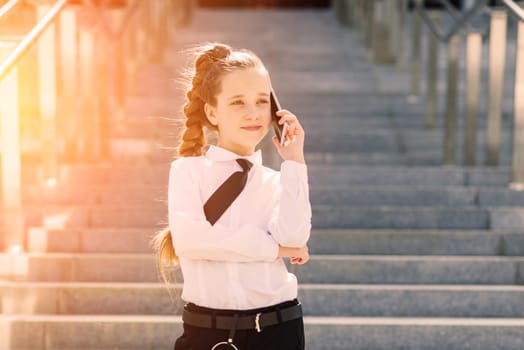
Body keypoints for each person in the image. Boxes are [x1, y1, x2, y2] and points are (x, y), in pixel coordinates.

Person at [153, 42, 312, 350]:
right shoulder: (188, 171)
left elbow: (295, 234)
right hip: (206, 332)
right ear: (212, 112)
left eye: (261, 101)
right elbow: (191, 240)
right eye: (237, 102)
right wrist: (274, 248)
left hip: (277, 329)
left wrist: (295, 161)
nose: (253, 113)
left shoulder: (279, 181)